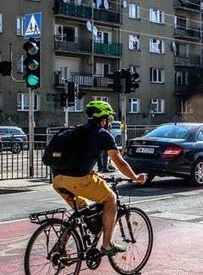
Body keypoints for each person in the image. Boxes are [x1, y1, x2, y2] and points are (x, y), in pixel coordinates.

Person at [51, 100, 146, 255]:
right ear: (104, 119)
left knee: (81, 211)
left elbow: (77, 158)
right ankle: (107, 245)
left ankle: (59, 248)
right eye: (108, 119)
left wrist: (92, 173)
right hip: (78, 180)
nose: (108, 122)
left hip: (58, 180)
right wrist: (135, 177)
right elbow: (120, 163)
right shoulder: (102, 135)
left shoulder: (77, 131)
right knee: (111, 199)